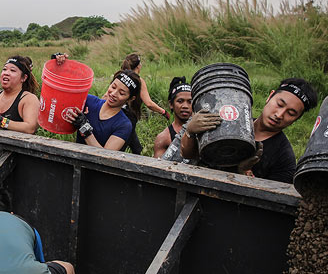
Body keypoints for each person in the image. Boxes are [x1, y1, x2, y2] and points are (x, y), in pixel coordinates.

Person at [181, 77, 318, 183]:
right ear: (270, 97)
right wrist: (190, 132)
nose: (279, 114)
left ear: (297, 119)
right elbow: (189, 155)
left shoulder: (284, 158)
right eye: (279, 104)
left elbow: (271, 202)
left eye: (291, 113)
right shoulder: (230, 122)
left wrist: (244, 172)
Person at [64, 70, 141, 152]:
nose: (113, 94)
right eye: (113, 87)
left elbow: (105, 156)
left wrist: (84, 128)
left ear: (130, 99)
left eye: (121, 93)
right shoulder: (89, 102)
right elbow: (61, 97)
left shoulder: (124, 125)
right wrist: (59, 64)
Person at [120, 53, 170, 154]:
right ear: (138, 66)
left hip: (119, 112)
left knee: (137, 149)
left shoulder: (121, 76)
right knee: (119, 148)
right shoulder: (138, 80)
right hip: (129, 117)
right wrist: (164, 112)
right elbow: (149, 103)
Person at [0, 55, 40, 134]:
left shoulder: (28, 99)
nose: (6, 73)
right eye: (4, 69)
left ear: (24, 78)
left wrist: (0, 120)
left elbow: (30, 128)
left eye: (12, 70)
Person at [153, 77, 193, 158]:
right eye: (180, 101)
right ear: (171, 104)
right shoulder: (164, 138)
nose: (185, 106)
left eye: (190, 102)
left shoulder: (203, 130)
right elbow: (158, 167)